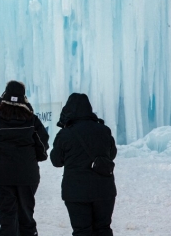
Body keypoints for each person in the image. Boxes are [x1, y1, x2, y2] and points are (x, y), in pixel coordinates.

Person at [0, 80, 49, 236]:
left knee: (7, 215)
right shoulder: (32, 119)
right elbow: (42, 144)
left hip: (0, 174)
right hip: (27, 174)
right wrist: (36, 157)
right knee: (26, 215)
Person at [50, 93, 117, 236]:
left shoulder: (65, 134)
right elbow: (112, 155)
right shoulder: (104, 130)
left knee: (82, 231)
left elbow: (56, 161)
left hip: (76, 191)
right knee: (103, 229)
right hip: (104, 189)